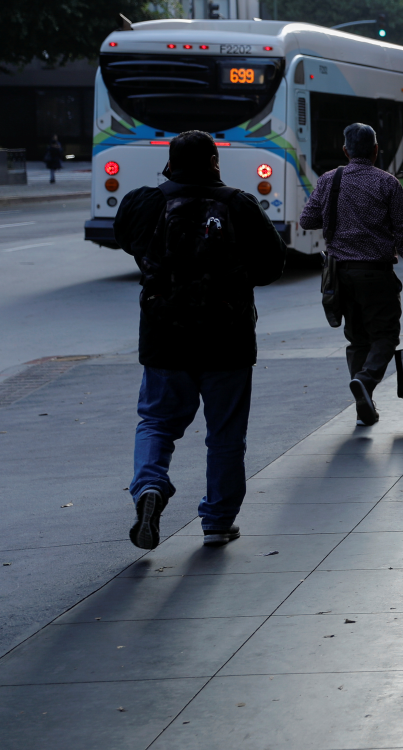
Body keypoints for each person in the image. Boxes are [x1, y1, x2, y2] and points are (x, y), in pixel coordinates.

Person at [112, 130, 286, 548]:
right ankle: (218, 521)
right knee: (225, 434)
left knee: (156, 421)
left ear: (170, 163)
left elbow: (126, 240)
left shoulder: (145, 202)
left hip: (164, 341)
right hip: (227, 341)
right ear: (214, 163)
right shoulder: (238, 204)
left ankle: (149, 487)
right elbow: (272, 264)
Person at [299, 123, 403, 428]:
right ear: (375, 150)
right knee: (384, 336)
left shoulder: (330, 180)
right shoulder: (388, 183)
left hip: (340, 276)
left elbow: (307, 219)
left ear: (345, 151)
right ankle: (365, 382)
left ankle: (362, 407)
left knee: (357, 340)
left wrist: (336, 217)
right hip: (376, 275)